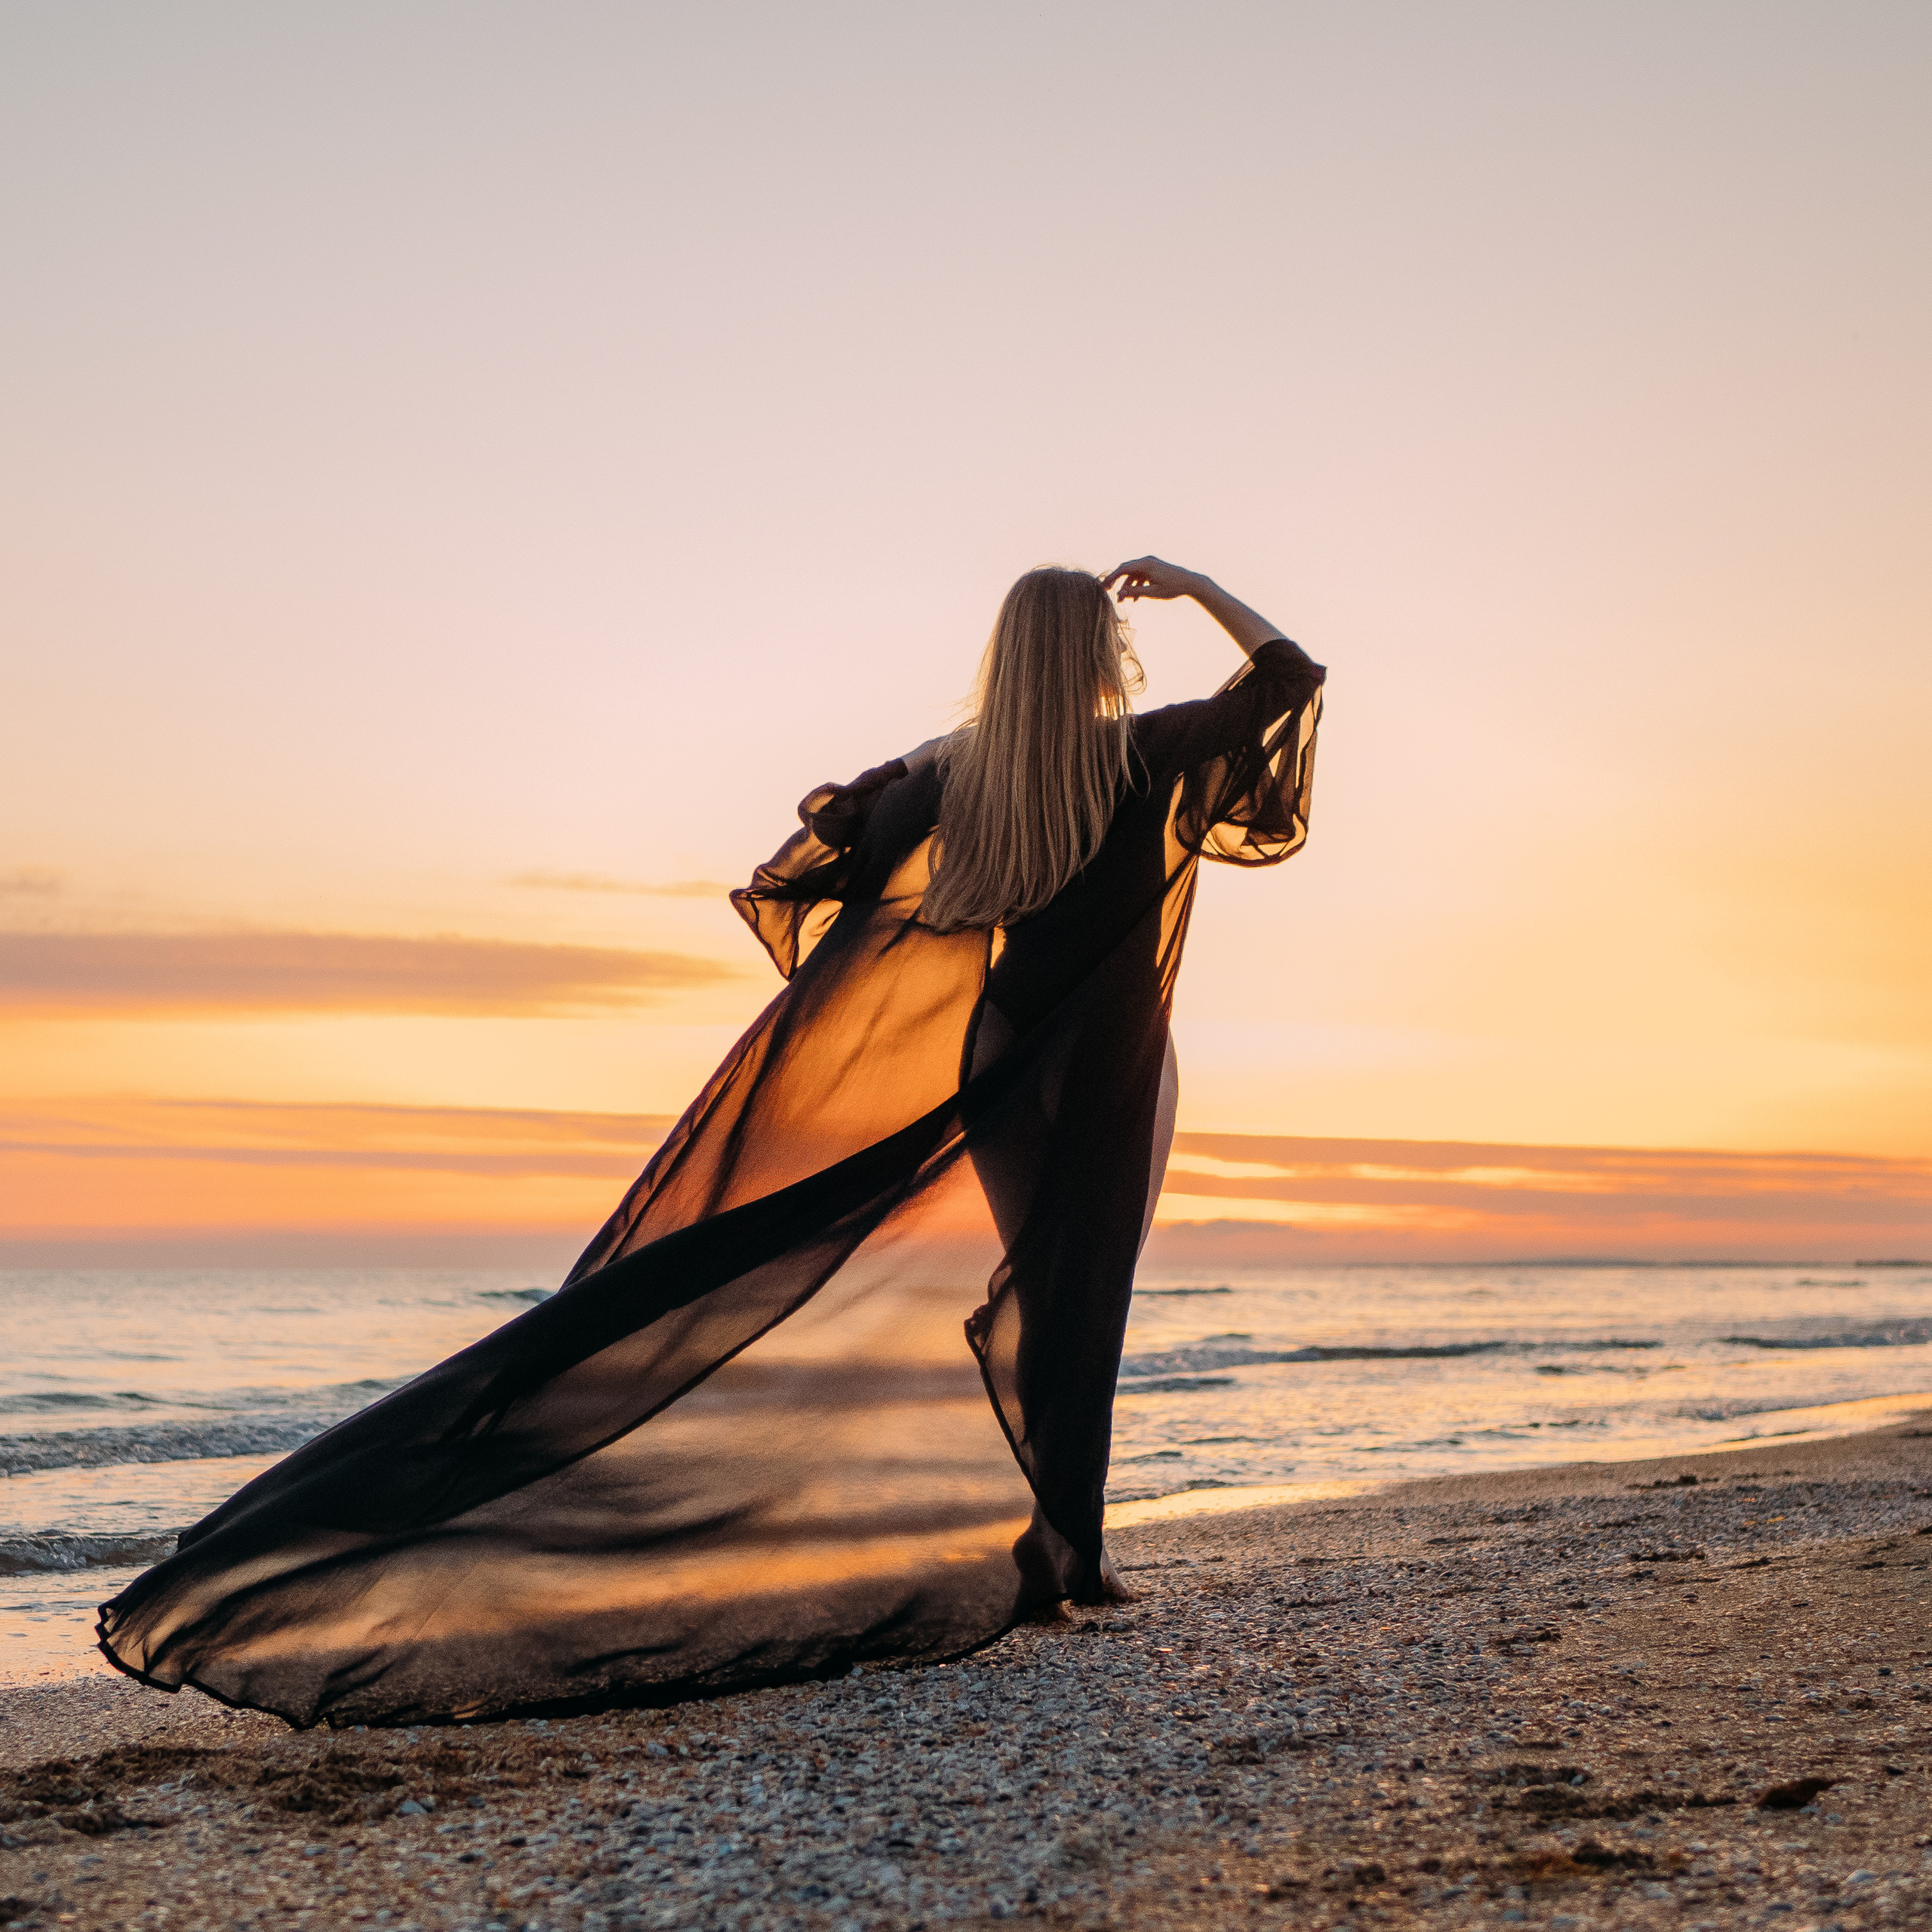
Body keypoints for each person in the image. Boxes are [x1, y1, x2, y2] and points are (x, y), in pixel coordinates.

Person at [97, 558, 1325, 1727]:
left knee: (1042, 1288)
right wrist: (1198, 585)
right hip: (1112, 1064)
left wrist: (913, 842)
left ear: (1005, 662)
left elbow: (809, 858)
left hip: (999, 1055)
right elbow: (1290, 676)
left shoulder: (963, 771)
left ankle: (1062, 1552)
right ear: (1103, 653)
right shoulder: (1149, 752)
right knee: (1077, 1294)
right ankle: (1069, 1559)